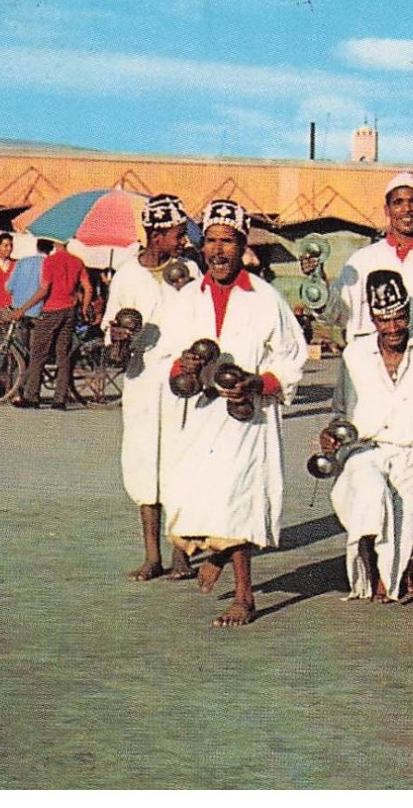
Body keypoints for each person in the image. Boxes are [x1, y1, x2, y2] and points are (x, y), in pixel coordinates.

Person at [160, 199, 308, 626]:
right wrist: (183, 367)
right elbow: (169, 356)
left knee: (238, 498)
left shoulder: (266, 299)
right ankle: (219, 553)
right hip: (200, 416)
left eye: (227, 241)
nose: (218, 250)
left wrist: (259, 384)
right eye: (211, 241)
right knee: (198, 496)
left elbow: (291, 358)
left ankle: (245, 595)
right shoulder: (188, 297)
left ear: (242, 245)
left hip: (248, 416)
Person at [328, 269, 413, 603]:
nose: (394, 328)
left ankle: (396, 575)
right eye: (385, 320)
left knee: (405, 524)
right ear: (372, 318)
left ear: (408, 313)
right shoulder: (354, 354)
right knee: (372, 499)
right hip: (365, 449)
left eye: (399, 317)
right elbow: (340, 409)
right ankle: (374, 572)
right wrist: (331, 434)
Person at [103, 194, 199, 582]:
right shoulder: (126, 276)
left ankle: (182, 553)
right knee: (145, 465)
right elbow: (113, 344)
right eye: (178, 233)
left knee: (181, 463)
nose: (183, 240)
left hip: (182, 377)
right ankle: (151, 555)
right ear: (156, 234)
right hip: (143, 380)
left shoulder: (190, 271)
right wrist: (120, 339)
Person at [311, 172, 413, 342]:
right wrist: (317, 281)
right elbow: (338, 312)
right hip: (369, 358)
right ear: (387, 209)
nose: (407, 209)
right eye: (398, 202)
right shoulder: (362, 260)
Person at [10, 234, 93, 409]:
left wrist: (22, 309)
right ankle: (60, 399)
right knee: (63, 355)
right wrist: (84, 309)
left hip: (51, 311)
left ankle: (32, 396)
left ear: (55, 242)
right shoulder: (77, 261)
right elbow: (88, 287)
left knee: (38, 354)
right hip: (70, 311)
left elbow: (43, 289)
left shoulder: (50, 261)